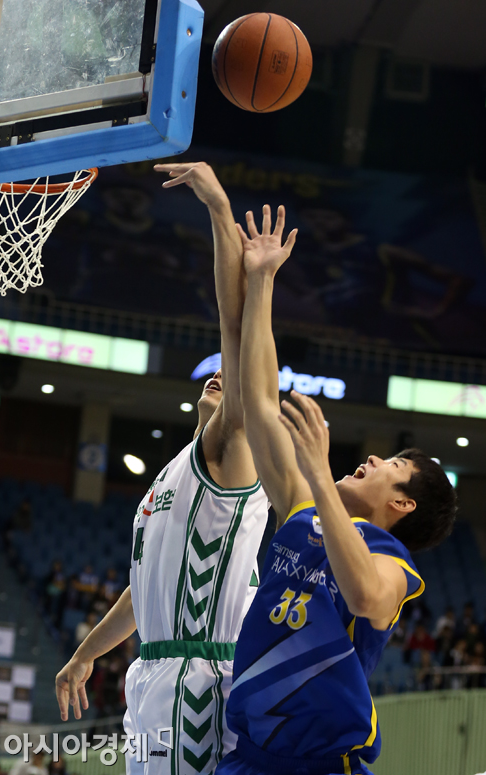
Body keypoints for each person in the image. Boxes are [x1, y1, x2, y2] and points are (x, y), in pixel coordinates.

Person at [215, 205, 457, 775]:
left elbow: (367, 599)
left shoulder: (390, 561)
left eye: (391, 464)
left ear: (402, 504)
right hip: (247, 758)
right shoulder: (302, 514)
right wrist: (262, 279)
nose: (371, 458)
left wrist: (321, 476)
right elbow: (257, 398)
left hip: (323, 765)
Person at [55, 163, 269, 775]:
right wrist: (87, 651)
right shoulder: (182, 471)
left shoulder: (230, 453)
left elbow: (236, 332)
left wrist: (219, 211)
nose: (221, 375)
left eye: (233, 381)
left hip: (196, 685)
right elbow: (143, 591)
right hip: (155, 674)